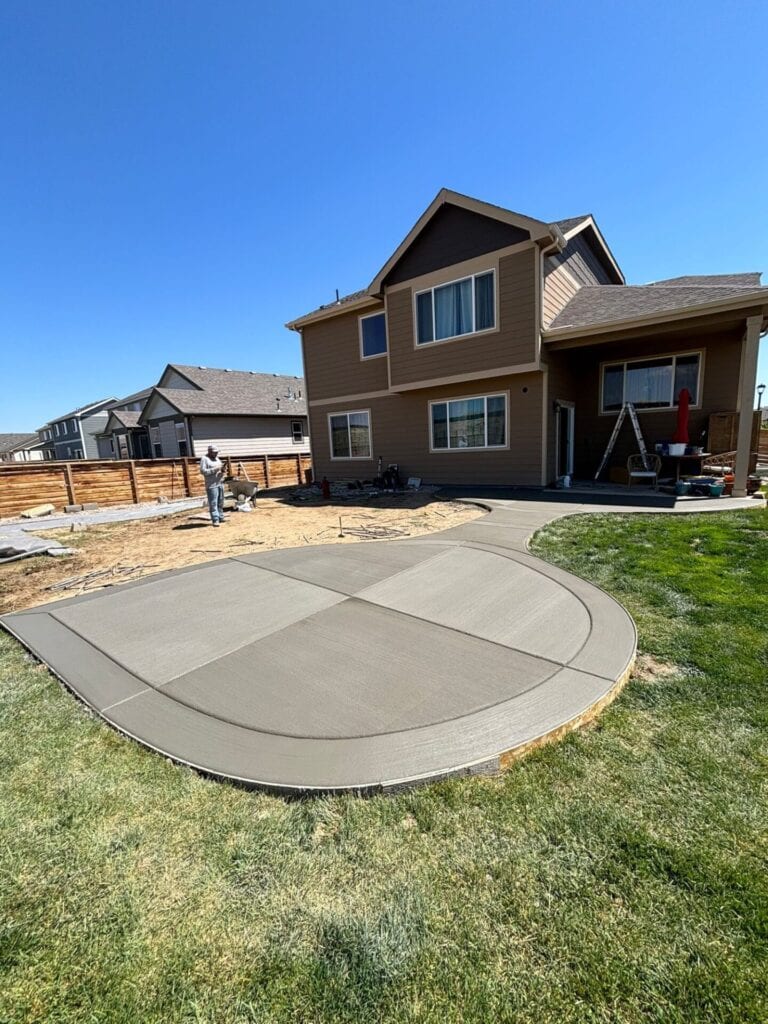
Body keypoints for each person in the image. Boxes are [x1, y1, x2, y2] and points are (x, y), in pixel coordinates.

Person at [199, 445, 227, 526]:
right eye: (215, 452)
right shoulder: (204, 459)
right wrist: (215, 469)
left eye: (217, 452)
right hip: (211, 484)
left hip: (220, 482)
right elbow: (203, 471)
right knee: (213, 503)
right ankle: (215, 519)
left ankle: (221, 517)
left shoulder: (217, 459)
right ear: (209, 451)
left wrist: (223, 469)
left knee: (221, 501)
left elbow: (220, 467)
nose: (216, 454)